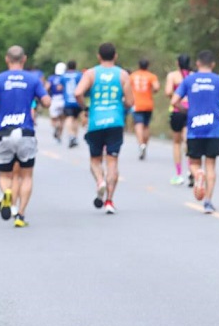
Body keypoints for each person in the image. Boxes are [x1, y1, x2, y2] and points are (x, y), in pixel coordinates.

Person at [0, 46, 51, 227]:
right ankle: (20, 215)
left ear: (7, 59)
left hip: (3, 132)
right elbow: (46, 101)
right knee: (26, 176)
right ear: (24, 59)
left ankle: (7, 192)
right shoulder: (33, 79)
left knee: (5, 174)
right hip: (25, 131)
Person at [75, 42, 134, 214]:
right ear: (115, 56)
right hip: (115, 121)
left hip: (96, 121)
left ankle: (100, 181)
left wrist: (86, 108)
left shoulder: (91, 74)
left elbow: (78, 93)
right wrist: (121, 107)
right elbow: (130, 102)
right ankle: (109, 200)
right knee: (112, 161)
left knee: (95, 160)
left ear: (99, 56)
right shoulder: (123, 75)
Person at [170, 50, 219, 213]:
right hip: (213, 129)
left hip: (194, 129)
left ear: (197, 64)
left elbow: (174, 101)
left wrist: (186, 112)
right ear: (212, 64)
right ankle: (208, 202)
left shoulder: (189, 80)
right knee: (211, 165)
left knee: (194, 163)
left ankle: (197, 174)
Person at [165, 54, 192, 185]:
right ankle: (191, 170)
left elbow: (168, 91)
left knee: (176, 143)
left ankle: (178, 173)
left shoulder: (172, 76)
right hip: (191, 110)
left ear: (177, 63)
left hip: (177, 110)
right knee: (187, 140)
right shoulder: (193, 75)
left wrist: (176, 95)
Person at [129, 58, 160, 160]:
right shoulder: (151, 76)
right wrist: (151, 91)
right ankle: (145, 145)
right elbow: (156, 87)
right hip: (148, 104)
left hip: (136, 104)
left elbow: (127, 87)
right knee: (146, 126)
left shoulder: (133, 76)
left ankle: (141, 144)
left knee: (138, 125)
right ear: (148, 65)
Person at [60, 60, 83, 148]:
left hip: (67, 100)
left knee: (69, 118)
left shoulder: (64, 76)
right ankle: (75, 137)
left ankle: (71, 135)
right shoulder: (79, 75)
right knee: (76, 119)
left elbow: (60, 87)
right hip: (77, 100)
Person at [46, 62, 67, 143]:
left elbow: (46, 88)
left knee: (53, 118)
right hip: (63, 99)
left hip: (54, 99)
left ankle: (55, 127)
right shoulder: (65, 77)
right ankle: (59, 136)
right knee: (62, 119)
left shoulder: (51, 78)